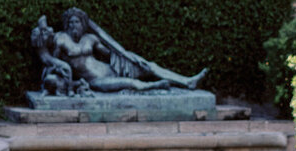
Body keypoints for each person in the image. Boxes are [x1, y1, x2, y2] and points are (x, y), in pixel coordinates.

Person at [49, 6, 207, 93]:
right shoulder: (61, 39)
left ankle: (187, 81)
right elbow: (53, 62)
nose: (73, 25)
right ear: (66, 24)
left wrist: (130, 58)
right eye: (71, 22)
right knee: (131, 83)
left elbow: (111, 53)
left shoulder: (91, 39)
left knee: (149, 65)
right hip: (97, 81)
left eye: (77, 22)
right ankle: (155, 86)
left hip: (110, 69)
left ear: (83, 24)